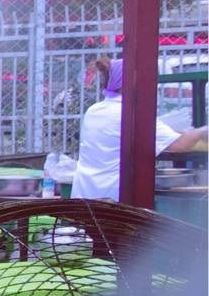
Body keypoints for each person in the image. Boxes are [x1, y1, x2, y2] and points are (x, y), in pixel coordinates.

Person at [72, 60, 208, 201]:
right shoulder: (131, 113)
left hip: (85, 196)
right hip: (112, 201)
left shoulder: (95, 110)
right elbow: (181, 145)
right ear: (134, 83)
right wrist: (204, 130)